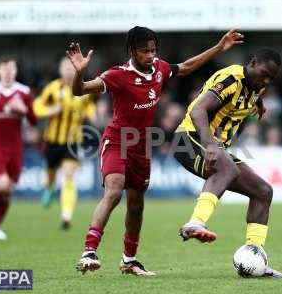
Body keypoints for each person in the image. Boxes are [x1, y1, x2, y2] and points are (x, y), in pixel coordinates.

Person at [66, 26, 244, 276]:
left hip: (141, 145)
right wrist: (79, 73)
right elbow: (79, 90)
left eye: (153, 50)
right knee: (115, 191)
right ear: (132, 51)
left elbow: (186, 66)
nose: (150, 55)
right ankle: (89, 252)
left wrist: (218, 47)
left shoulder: (160, 68)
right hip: (118, 141)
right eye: (144, 51)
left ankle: (129, 260)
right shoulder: (118, 74)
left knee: (136, 205)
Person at [173, 48, 282, 278]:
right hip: (189, 139)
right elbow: (198, 110)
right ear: (252, 61)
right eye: (263, 74)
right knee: (227, 169)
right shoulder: (231, 78)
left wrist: (260, 103)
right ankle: (195, 223)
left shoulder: (257, 85)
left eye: (270, 79)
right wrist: (211, 145)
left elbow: (254, 90)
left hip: (214, 146)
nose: (265, 81)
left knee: (263, 191)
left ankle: (255, 255)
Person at [0, 56, 37, 240]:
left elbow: (34, 120)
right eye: (5, 69)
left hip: (16, 147)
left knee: (8, 191)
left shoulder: (24, 92)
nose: (8, 72)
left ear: (16, 71)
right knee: (1, 185)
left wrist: (24, 110)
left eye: (11, 68)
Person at [33, 57, 97, 230]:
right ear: (60, 70)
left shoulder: (83, 88)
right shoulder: (52, 88)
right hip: (52, 140)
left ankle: (66, 215)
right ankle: (49, 189)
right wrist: (49, 110)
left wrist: (92, 114)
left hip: (72, 142)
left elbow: (89, 105)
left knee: (69, 175)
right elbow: (37, 106)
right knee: (51, 176)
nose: (69, 70)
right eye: (65, 67)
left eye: (71, 67)